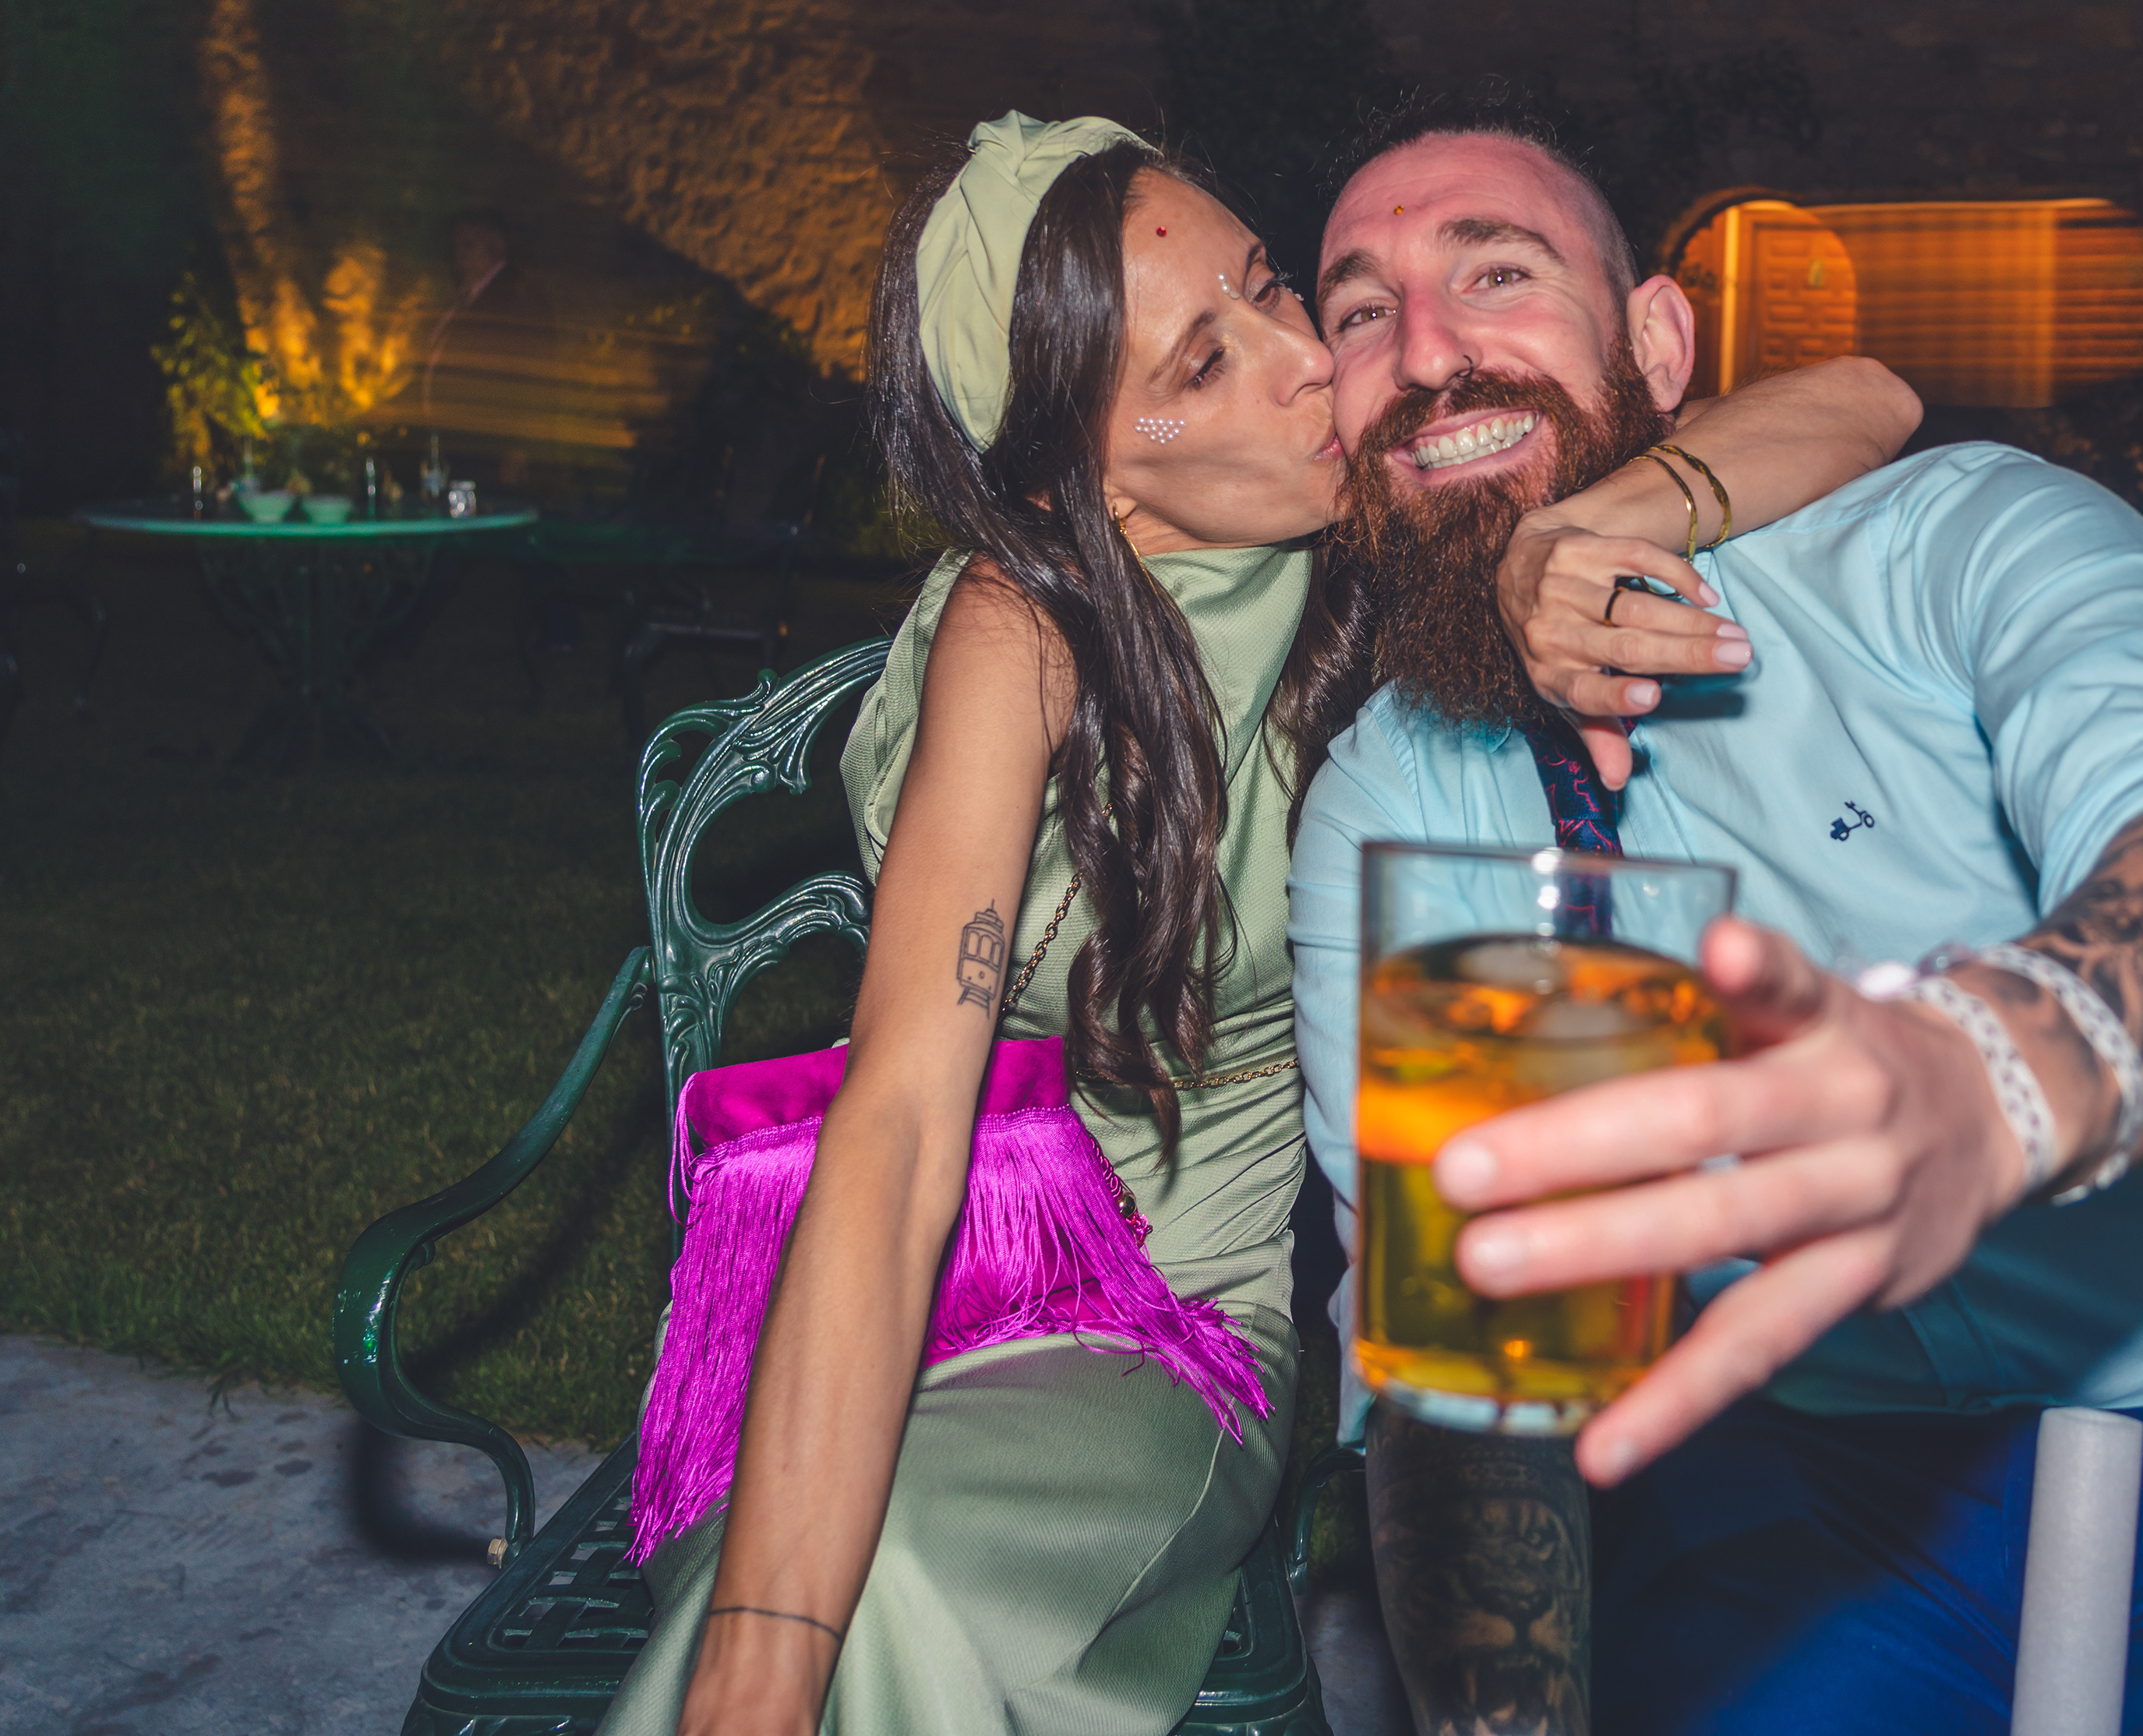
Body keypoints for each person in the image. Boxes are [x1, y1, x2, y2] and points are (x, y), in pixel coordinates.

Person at [598, 113, 1922, 1736]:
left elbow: (1871, 397)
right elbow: (900, 1126)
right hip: (900, 1281)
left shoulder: (1391, 528)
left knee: (901, 1580)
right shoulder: (1026, 632)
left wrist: (1588, 525)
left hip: (1162, 1324)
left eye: (1271, 288)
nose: (1308, 365)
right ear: (1083, 476)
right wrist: (764, 1634)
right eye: (1204, 363)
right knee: (782, 1620)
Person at [1287, 102, 2143, 1735]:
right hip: (1796, 1492)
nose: (1430, 352)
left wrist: (1991, 1075)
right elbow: (1467, 1349)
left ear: (1656, 344)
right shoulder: (1396, 794)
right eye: (1363, 311)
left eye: (1496, 273)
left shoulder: (1946, 544)